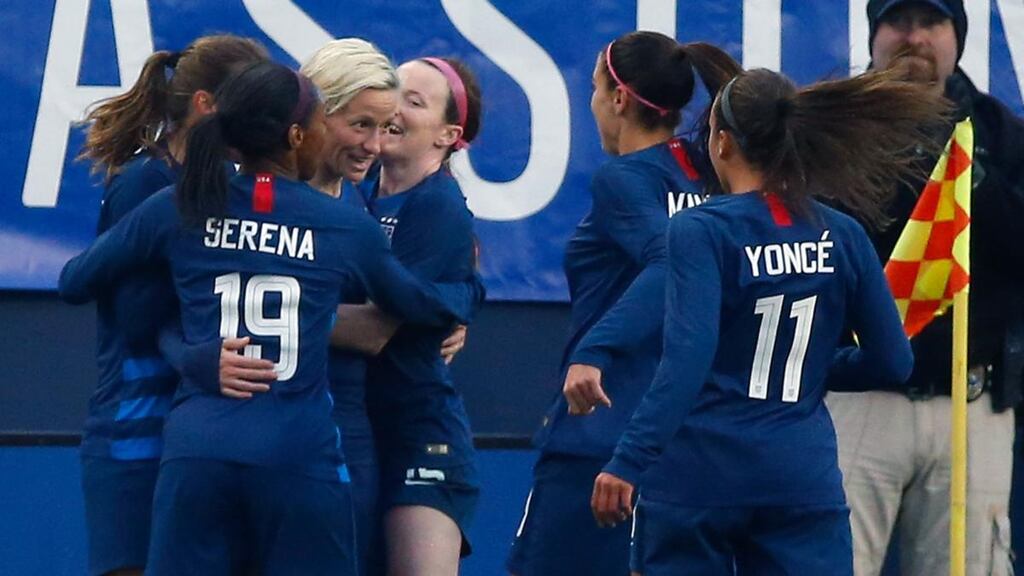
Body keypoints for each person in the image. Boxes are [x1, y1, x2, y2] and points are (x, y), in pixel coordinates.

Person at [59, 61, 483, 575]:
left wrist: (191, 335)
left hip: (197, 452)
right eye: (329, 122)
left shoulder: (177, 205)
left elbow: (76, 280)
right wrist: (469, 287)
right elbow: (421, 305)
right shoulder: (343, 224)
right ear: (297, 136)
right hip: (297, 453)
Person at [592, 66, 951, 575]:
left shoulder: (700, 231)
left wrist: (628, 459)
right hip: (799, 477)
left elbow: (687, 359)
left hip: (700, 478)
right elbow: (893, 362)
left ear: (721, 143)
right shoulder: (843, 234)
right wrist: (808, 367)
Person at [506, 32, 741, 576]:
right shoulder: (719, 176)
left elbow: (668, 261)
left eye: (593, 88)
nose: (591, 102)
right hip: (695, 442)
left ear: (617, 99)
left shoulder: (624, 179)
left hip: (602, 434)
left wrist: (595, 349)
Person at [825, 1, 1024, 574]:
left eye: (930, 22)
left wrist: (970, 176)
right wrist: (898, 163)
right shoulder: (830, 124)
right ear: (873, 35)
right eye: (899, 21)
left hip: (969, 404)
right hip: (856, 401)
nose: (914, 38)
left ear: (956, 36)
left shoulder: (997, 133)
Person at [74, 34, 268, 576]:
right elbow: (134, 315)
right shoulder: (147, 183)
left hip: (198, 444)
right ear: (205, 104)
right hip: (135, 439)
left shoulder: (228, 189)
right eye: (245, 103)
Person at [332, 55, 484, 576]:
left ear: (447, 134)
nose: (395, 108)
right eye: (394, 92)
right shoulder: (357, 195)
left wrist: (288, 316)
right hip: (354, 429)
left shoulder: (438, 205)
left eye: (414, 102)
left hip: (420, 434)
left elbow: (377, 330)